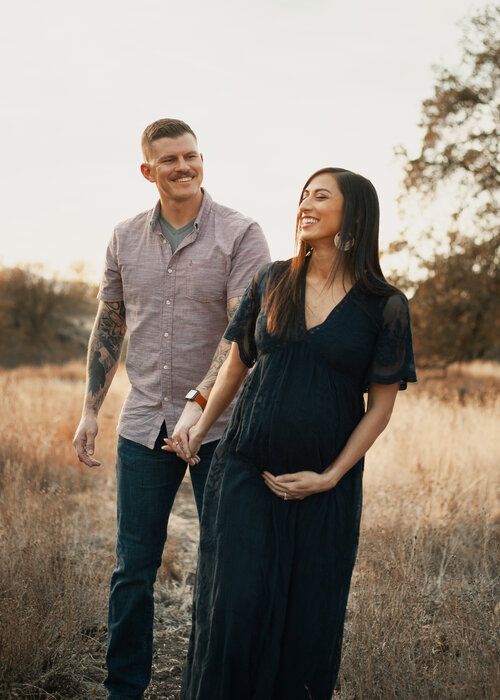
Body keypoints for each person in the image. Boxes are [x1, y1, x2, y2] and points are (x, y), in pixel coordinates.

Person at [168, 167, 417, 700]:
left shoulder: (385, 305)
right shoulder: (272, 279)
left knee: (307, 618)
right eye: (303, 195)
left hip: (323, 488)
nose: (305, 203)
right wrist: (200, 429)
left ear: (353, 214)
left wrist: (330, 477)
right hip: (244, 467)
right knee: (232, 607)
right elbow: (236, 366)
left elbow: (380, 407)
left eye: (320, 196)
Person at [72, 118, 270, 700]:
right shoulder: (124, 237)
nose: (183, 167)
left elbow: (243, 334)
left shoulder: (241, 234)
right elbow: (110, 323)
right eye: (169, 160)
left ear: (202, 160)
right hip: (142, 425)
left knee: (225, 569)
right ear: (147, 171)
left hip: (223, 429)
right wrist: (91, 410)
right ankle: (123, 689)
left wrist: (198, 406)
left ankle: (214, 687)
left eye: (191, 157)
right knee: (133, 568)